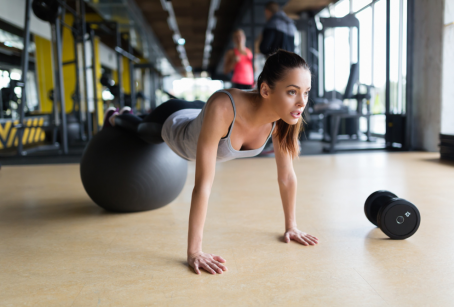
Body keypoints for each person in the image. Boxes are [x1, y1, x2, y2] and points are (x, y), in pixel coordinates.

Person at [103, 50, 319, 275]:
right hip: (174, 122)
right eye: (292, 91)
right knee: (141, 129)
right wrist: (194, 252)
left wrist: (291, 227)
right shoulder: (225, 108)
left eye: (306, 92)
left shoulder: (285, 116)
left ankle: (124, 115)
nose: (302, 102)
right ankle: (116, 117)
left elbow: (286, 176)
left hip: (201, 112)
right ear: (265, 90)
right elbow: (203, 185)